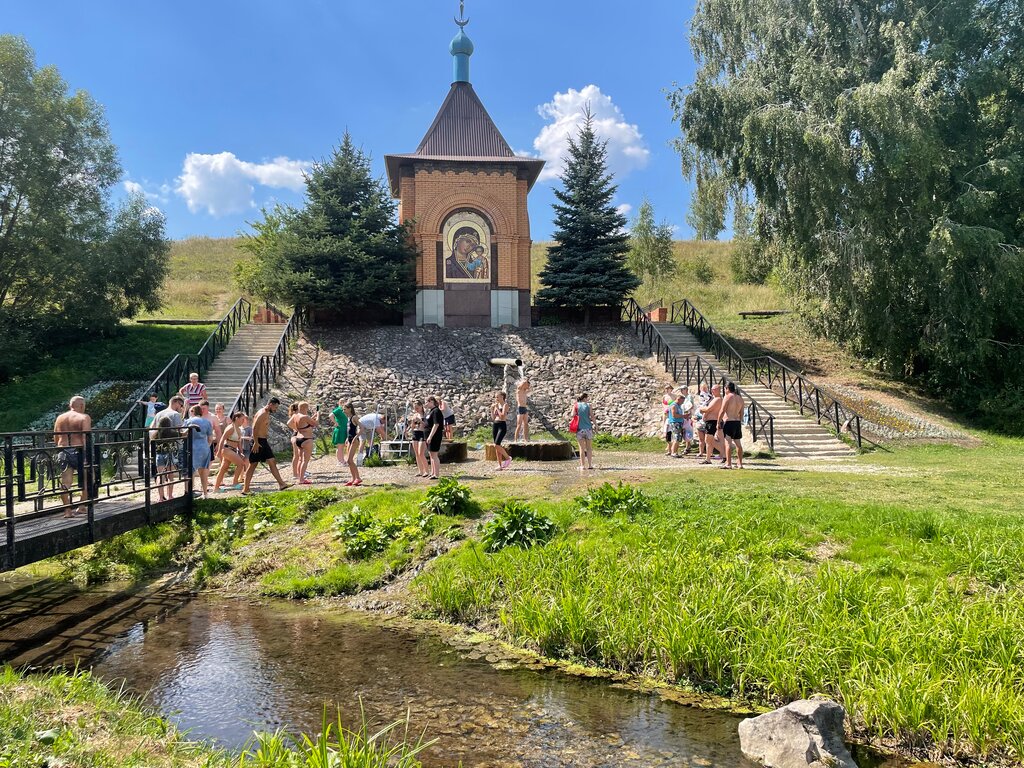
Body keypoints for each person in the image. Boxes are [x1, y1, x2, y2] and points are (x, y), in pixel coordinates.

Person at [242, 397, 291, 494]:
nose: (276, 410)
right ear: (270, 404)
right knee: (253, 464)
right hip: (258, 441)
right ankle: (245, 489)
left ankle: (282, 484)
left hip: (263, 441)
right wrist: (256, 442)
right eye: (275, 407)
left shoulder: (267, 412)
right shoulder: (262, 413)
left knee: (272, 461)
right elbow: (255, 428)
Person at [53, 396, 91, 516]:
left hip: (63, 450)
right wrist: (87, 455)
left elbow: (56, 438)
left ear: (70, 405)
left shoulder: (60, 418)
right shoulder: (84, 417)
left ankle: (67, 510)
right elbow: (85, 437)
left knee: (66, 482)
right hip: (79, 450)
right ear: (82, 405)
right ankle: (81, 506)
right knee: (87, 479)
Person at [212, 411, 248, 494]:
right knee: (241, 464)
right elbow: (222, 439)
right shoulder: (230, 428)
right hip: (227, 449)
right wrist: (219, 451)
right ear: (237, 418)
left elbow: (238, 442)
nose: (243, 421)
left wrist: (241, 452)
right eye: (242, 419)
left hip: (233, 450)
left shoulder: (238, 429)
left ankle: (216, 488)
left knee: (223, 468)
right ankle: (235, 482)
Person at [184, 404, 214, 498]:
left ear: (193, 412)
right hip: (204, 447)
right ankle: (205, 493)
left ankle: (189, 492)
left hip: (192, 446)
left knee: (191, 471)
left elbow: (182, 434)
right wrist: (207, 446)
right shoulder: (207, 422)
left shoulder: (188, 421)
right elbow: (210, 438)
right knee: (203, 472)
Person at [288, 402, 318, 484]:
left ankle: (299, 477)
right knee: (305, 460)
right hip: (306, 439)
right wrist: (318, 415)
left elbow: (305, 423)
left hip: (299, 439)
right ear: (305, 408)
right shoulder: (305, 416)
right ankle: (301, 479)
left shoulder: (296, 415)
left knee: (300, 459)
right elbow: (316, 423)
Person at [720, 382, 746, 469]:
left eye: (725, 389)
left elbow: (722, 410)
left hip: (729, 421)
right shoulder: (740, 398)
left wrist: (718, 421)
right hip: (737, 422)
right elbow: (742, 413)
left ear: (727, 388)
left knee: (728, 443)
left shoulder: (727, 397)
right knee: (738, 443)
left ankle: (728, 463)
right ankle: (740, 463)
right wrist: (739, 421)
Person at [699, 385, 724, 465]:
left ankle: (724, 454)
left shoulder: (718, 399)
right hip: (710, 421)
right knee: (709, 441)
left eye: (714, 389)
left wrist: (701, 409)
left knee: (709, 440)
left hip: (712, 421)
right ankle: (708, 459)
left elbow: (708, 409)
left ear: (719, 390)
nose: (712, 391)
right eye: (712, 389)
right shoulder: (715, 399)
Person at [572, 393, 595, 471]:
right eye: (587, 398)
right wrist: (596, 425)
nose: (587, 399)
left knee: (581, 449)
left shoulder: (576, 405)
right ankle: (590, 465)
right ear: (584, 398)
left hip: (579, 429)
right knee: (589, 448)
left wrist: (577, 414)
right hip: (588, 429)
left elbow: (572, 414)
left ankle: (582, 466)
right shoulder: (589, 405)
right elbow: (592, 416)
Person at [424, 395, 445, 480]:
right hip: (429, 435)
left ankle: (436, 474)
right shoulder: (431, 411)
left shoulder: (436, 411)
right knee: (431, 454)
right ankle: (432, 472)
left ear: (431, 401)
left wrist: (430, 436)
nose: (425, 404)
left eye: (426, 402)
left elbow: (436, 424)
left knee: (434, 455)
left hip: (435, 436)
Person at [491, 392, 512, 471]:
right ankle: (499, 465)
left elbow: (502, 416)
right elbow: (494, 417)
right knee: (497, 446)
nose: (496, 399)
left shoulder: (505, 405)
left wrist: (497, 408)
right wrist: (492, 410)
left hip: (502, 425)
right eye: (495, 397)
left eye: (497, 397)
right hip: (495, 424)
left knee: (496, 445)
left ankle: (508, 458)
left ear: (502, 397)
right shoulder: (497, 405)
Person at [409, 400, 430, 478]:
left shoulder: (425, 415)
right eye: (415, 408)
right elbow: (412, 427)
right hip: (415, 433)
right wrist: (413, 422)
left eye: (417, 408)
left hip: (422, 433)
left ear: (421, 406)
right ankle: (420, 471)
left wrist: (420, 421)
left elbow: (427, 425)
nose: (416, 409)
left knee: (421, 453)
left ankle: (426, 471)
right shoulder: (415, 415)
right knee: (417, 454)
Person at [343, 403, 362, 487]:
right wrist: (347, 438)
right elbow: (349, 430)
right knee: (349, 461)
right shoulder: (348, 418)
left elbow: (362, 428)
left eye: (345, 409)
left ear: (350, 409)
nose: (343, 411)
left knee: (350, 460)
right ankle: (353, 478)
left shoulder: (354, 417)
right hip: (350, 439)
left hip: (354, 440)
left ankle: (358, 478)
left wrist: (356, 437)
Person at [667, 391, 686, 459]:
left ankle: (675, 452)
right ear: (678, 399)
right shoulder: (674, 405)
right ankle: (673, 452)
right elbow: (674, 415)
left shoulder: (679, 406)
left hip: (679, 422)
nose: (682, 403)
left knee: (678, 438)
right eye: (682, 401)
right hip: (675, 422)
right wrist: (683, 416)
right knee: (676, 437)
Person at [329, 398, 348, 466]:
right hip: (340, 429)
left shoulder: (343, 410)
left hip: (344, 429)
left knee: (342, 446)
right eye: (342, 402)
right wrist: (335, 423)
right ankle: (340, 461)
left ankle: (342, 460)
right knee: (340, 446)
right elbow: (331, 415)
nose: (343, 403)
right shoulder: (338, 409)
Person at [661, 385, 675, 456]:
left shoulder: (674, 396)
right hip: (665, 413)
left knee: (671, 429)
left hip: (671, 413)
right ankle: (668, 444)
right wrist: (665, 408)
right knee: (665, 428)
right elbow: (663, 403)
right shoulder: (664, 396)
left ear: (671, 389)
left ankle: (671, 446)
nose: (666, 390)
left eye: (668, 388)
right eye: (666, 388)